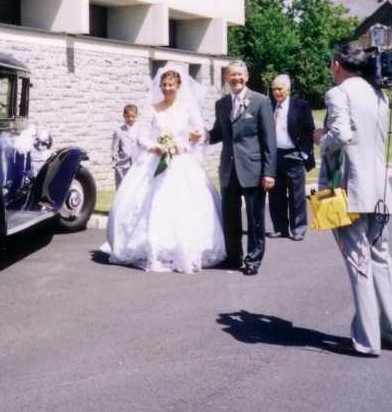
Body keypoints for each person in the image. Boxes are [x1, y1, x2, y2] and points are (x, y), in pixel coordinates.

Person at [313, 45, 392, 357]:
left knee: (358, 264)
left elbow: (341, 134)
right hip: (378, 190)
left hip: (348, 192)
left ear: (337, 64)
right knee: (381, 259)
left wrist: (321, 138)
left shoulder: (338, 93)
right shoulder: (378, 93)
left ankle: (367, 341)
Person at [105, 64, 226, 273]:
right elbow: (141, 138)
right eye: (163, 85)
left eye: (170, 84)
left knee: (185, 207)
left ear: (178, 86)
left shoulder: (187, 109)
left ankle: (183, 250)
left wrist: (184, 145)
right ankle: (152, 249)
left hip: (181, 161)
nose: (167, 88)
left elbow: (202, 136)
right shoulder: (152, 109)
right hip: (155, 161)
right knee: (149, 206)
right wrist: (157, 146)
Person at [191, 60, 276, 276]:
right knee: (230, 215)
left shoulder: (261, 101)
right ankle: (233, 256)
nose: (236, 79)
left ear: (246, 77)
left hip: (254, 170)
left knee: (256, 217)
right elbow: (219, 133)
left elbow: (269, 140)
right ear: (225, 78)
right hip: (229, 168)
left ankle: (253, 260)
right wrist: (203, 137)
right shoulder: (221, 104)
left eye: (240, 75)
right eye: (232, 75)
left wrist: (269, 172)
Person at [268, 74, 315, 241]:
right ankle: (280, 228)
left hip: (294, 155)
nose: (276, 92)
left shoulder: (300, 106)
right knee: (275, 195)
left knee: (296, 195)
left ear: (288, 89)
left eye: (280, 88)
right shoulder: (270, 105)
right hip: (275, 156)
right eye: (274, 88)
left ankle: (298, 228)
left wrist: (303, 154)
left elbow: (310, 132)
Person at [111, 104, 138, 190]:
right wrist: (117, 165)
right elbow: (115, 150)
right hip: (123, 166)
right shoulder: (119, 131)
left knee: (134, 189)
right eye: (128, 116)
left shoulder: (140, 130)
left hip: (136, 165)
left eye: (133, 116)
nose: (130, 119)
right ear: (124, 116)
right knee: (122, 189)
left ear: (137, 116)